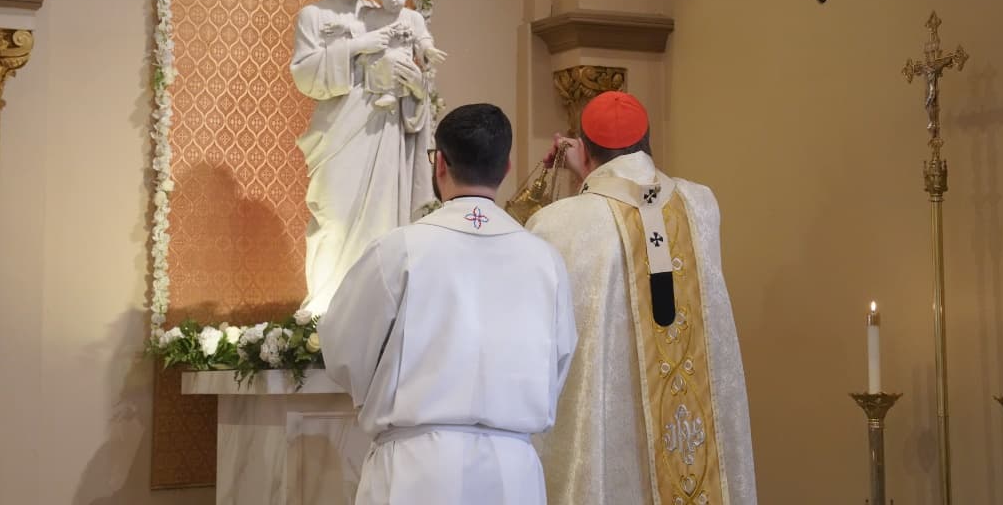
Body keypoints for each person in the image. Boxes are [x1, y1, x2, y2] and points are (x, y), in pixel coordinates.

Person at [318, 103, 578, 505]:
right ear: (507, 167)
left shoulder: (399, 250)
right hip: (513, 473)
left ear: (439, 163)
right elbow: (560, 362)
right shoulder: (546, 261)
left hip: (415, 470)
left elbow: (342, 350)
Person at [526, 91, 757, 505]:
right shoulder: (702, 204)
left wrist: (577, 179)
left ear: (587, 152)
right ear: (647, 143)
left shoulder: (559, 222)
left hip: (613, 438)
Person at [290, 0, 435, 314]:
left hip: (383, 130)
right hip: (338, 132)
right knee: (334, 218)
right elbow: (306, 75)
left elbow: (412, 68)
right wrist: (358, 46)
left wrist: (417, 88)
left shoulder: (383, 12)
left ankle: (375, 311)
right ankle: (327, 310)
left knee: (382, 226)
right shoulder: (314, 15)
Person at [360, 0, 446, 109]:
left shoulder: (413, 17)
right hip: (377, 64)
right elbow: (364, 40)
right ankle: (388, 93)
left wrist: (427, 49)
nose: (393, 0)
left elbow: (422, 37)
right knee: (387, 59)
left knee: (394, 60)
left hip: (402, 62)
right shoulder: (372, 17)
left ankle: (391, 93)